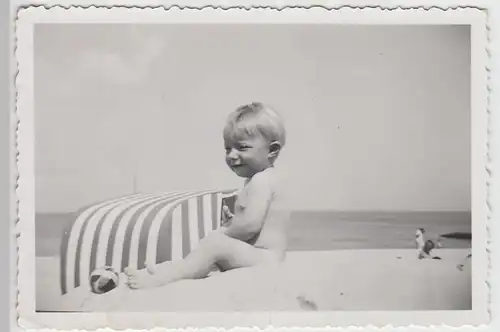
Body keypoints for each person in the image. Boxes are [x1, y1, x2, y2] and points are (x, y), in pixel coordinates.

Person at [125, 102, 290, 289]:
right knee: (211, 249)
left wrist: (225, 231)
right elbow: (252, 223)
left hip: (264, 260)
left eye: (242, 148)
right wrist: (233, 221)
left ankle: (164, 278)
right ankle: (169, 269)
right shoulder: (259, 179)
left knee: (214, 243)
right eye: (228, 149)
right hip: (256, 257)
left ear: (272, 150)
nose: (232, 155)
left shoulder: (262, 181)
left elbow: (249, 227)